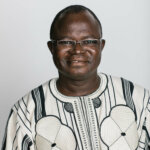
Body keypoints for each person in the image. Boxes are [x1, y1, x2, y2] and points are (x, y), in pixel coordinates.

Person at [1, 5, 150, 150]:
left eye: (88, 41)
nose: (77, 50)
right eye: (66, 42)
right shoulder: (26, 111)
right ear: (52, 48)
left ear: (101, 46)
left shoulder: (138, 99)